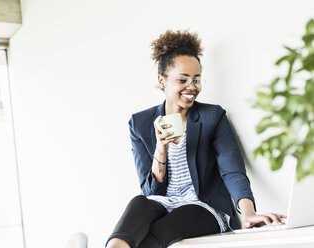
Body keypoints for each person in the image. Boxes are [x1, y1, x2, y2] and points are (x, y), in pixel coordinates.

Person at [105, 30, 286, 248]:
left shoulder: (213, 117)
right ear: (162, 80)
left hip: (204, 207)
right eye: (183, 79)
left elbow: (232, 170)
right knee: (137, 207)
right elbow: (151, 192)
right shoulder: (140, 123)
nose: (192, 87)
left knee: (159, 233)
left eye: (197, 79)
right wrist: (161, 148)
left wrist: (248, 213)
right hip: (161, 204)